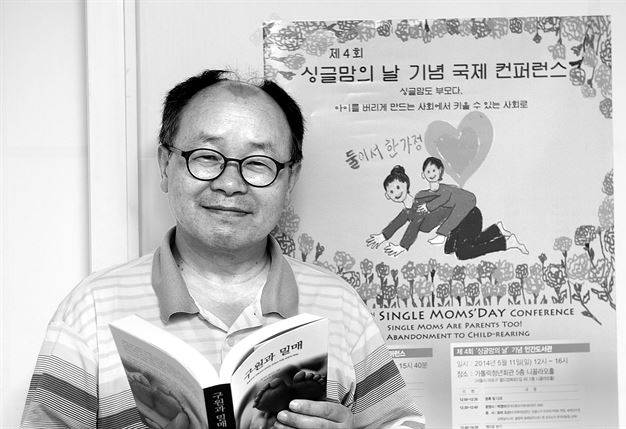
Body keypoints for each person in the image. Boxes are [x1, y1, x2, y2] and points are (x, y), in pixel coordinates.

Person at [20, 70, 424, 429]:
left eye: (259, 162)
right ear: (165, 164)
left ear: (290, 179)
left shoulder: (340, 304)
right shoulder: (91, 308)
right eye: (206, 157)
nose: (230, 184)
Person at [417, 156, 528, 260]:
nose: (431, 174)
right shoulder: (426, 194)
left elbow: (445, 200)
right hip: (461, 221)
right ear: (423, 175)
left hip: (470, 216)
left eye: (434, 170)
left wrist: (429, 209)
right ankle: (496, 230)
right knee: (457, 248)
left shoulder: (444, 190)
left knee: (462, 253)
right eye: (428, 171)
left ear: (440, 171)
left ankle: (506, 242)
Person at [366, 165, 450, 257]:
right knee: (405, 214)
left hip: (443, 215)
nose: (396, 193)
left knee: (416, 216)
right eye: (391, 192)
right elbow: (396, 223)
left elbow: (414, 225)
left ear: (406, 184)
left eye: (398, 187)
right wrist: (383, 236)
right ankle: (384, 236)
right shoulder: (406, 211)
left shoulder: (419, 201)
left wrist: (402, 246)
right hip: (429, 222)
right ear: (387, 196)